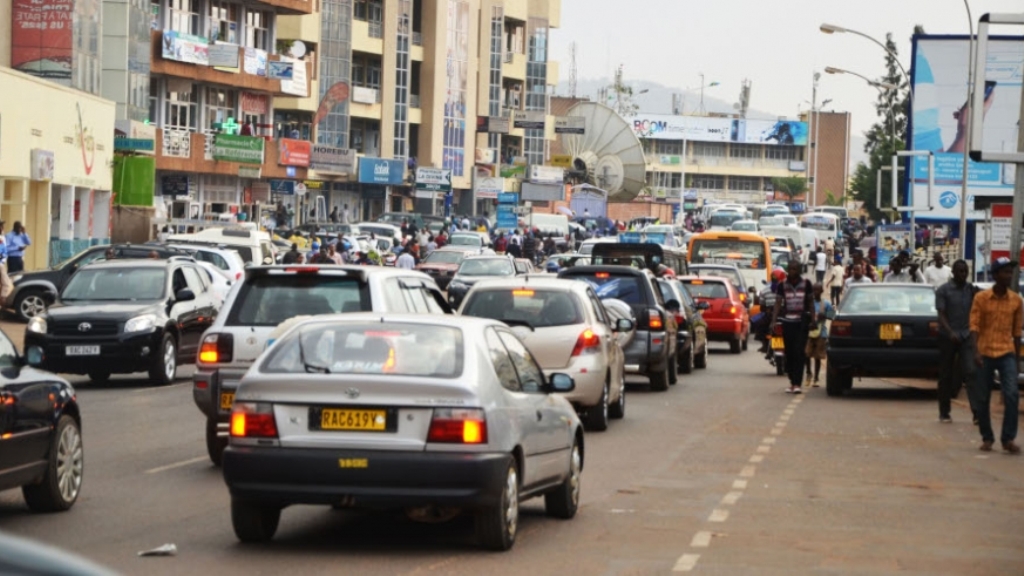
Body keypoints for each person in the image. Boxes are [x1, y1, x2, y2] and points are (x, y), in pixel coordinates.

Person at [969, 257, 1022, 454]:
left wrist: (1016, 361)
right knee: (982, 397)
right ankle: (987, 437)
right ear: (995, 275)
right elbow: (974, 325)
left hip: (1006, 352)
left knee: (1012, 394)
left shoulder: (1016, 300)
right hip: (984, 352)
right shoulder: (981, 299)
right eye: (1005, 272)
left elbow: (1017, 332)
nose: (1009, 276)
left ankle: (1008, 438)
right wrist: (975, 350)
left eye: (1010, 272)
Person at [935, 259, 977, 424]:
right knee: (946, 375)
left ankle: (977, 413)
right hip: (947, 337)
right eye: (960, 271)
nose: (963, 274)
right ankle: (944, 412)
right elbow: (941, 313)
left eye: (965, 271)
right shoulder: (943, 290)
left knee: (971, 373)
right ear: (953, 272)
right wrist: (950, 331)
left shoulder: (971, 290)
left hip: (966, 336)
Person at [771, 260, 814, 394]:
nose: (792, 271)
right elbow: (778, 303)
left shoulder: (806, 284)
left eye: (795, 269)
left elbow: (811, 302)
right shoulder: (782, 285)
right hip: (787, 322)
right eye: (790, 269)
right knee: (789, 353)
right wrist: (773, 321)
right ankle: (792, 381)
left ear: (799, 270)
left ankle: (797, 383)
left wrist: (813, 319)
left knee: (799, 353)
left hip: (801, 323)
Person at [804, 283, 834, 387]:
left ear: (821, 291)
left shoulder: (825, 304)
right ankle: (808, 373)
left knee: (817, 356)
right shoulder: (808, 303)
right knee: (806, 354)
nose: (815, 292)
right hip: (809, 332)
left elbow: (833, 316)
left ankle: (816, 378)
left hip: (821, 333)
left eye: (817, 290)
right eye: (813, 290)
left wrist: (825, 315)